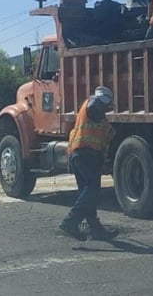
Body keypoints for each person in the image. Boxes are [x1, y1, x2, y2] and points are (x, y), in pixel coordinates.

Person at [60, 86, 117, 241]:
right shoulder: (93, 103)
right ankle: (70, 221)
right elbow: (94, 107)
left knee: (88, 194)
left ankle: (95, 229)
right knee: (92, 189)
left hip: (81, 154)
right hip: (85, 153)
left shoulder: (93, 113)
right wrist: (104, 122)